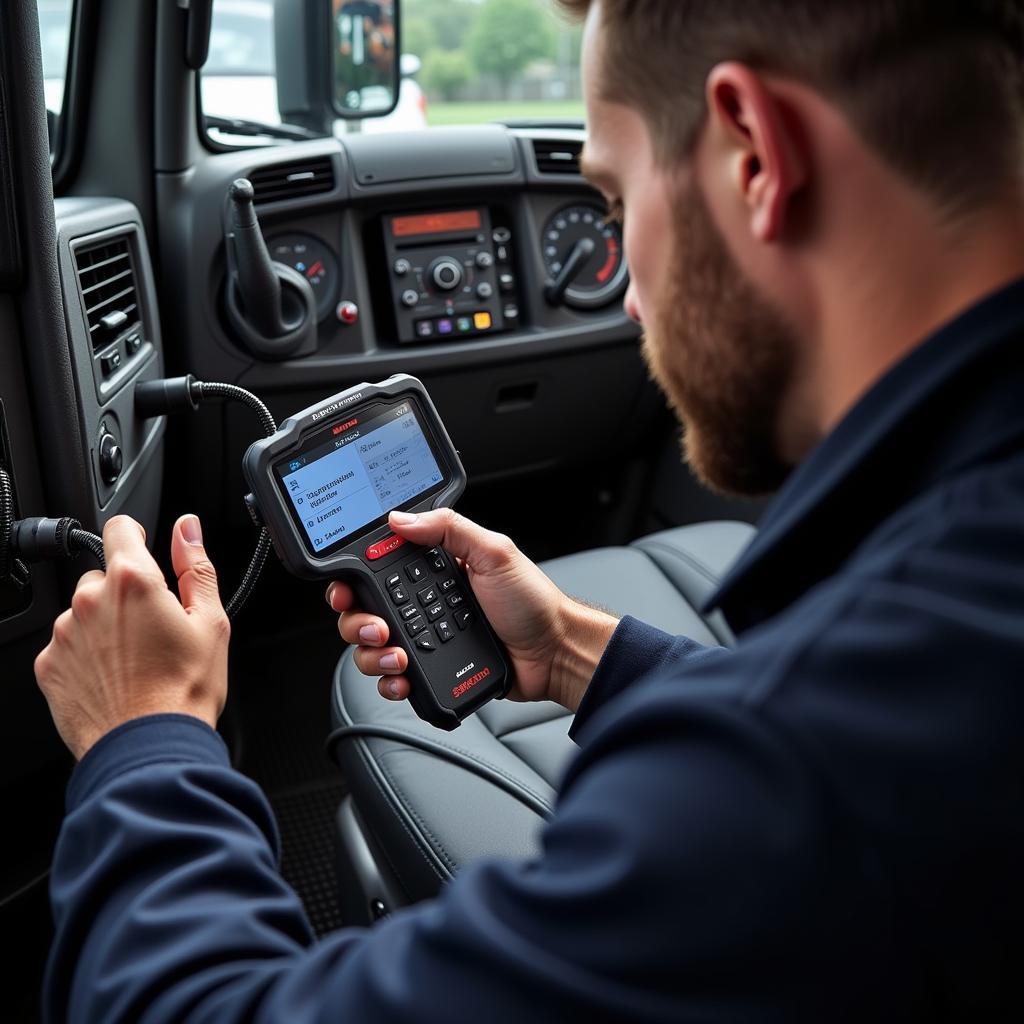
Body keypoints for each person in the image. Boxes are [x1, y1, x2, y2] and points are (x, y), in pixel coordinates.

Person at [36, 1, 1024, 1020]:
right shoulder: (941, 635)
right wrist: (568, 653)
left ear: (754, 154)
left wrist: (145, 734)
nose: (629, 298)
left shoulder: (793, 782)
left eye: (612, 200)